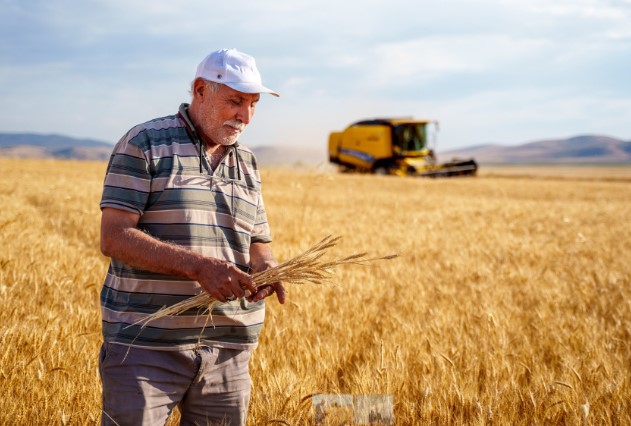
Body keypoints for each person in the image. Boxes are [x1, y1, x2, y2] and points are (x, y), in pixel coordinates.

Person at [98, 48, 285, 426]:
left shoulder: (246, 161)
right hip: (146, 348)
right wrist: (199, 266)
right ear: (201, 90)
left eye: (253, 104)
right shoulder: (145, 142)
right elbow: (114, 237)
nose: (244, 116)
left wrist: (266, 265)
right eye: (235, 101)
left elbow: (257, 240)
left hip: (229, 347)